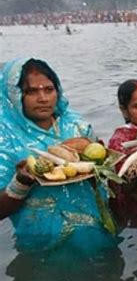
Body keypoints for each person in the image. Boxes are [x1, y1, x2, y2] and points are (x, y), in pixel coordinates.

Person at [0, 57, 117, 253]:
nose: (43, 98)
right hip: (42, 245)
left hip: (97, 232)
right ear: (13, 95)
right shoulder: (5, 140)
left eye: (48, 89)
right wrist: (20, 182)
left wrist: (102, 164)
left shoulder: (77, 127)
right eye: (31, 91)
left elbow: (104, 180)